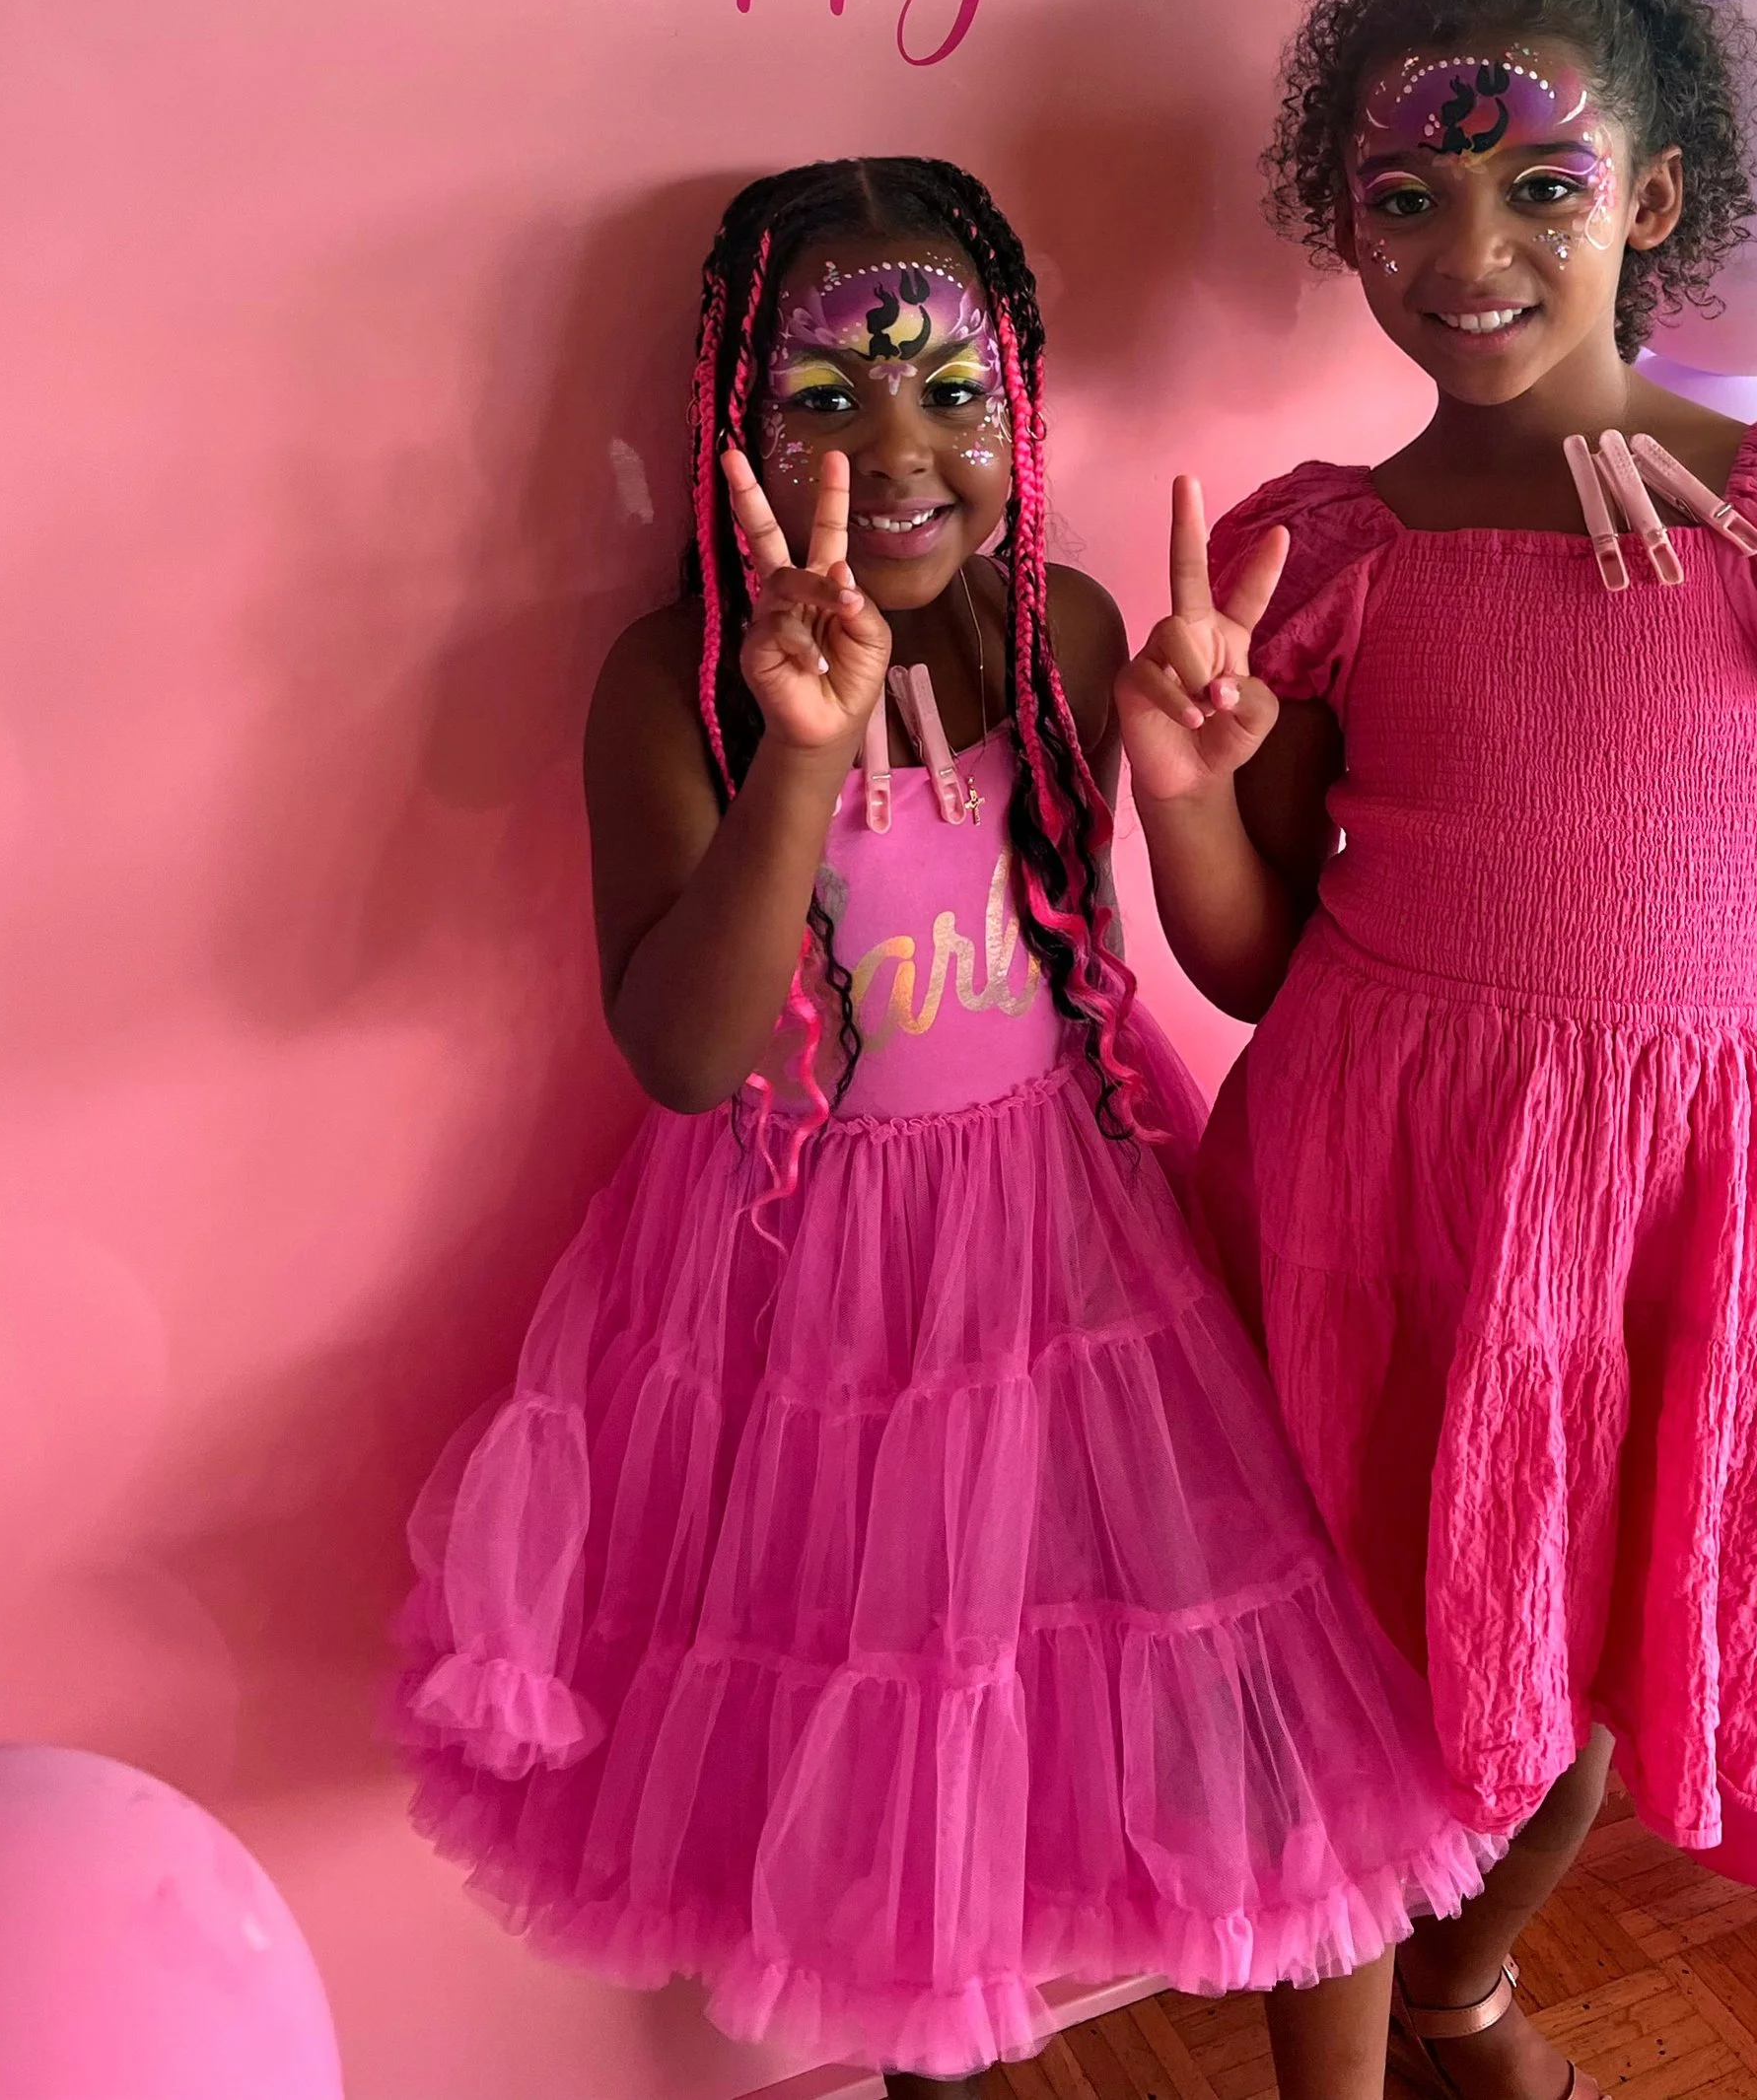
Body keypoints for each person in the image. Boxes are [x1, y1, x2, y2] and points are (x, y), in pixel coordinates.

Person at [396, 155, 1481, 2097]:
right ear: (734, 418)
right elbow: (680, 1045)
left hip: (1086, 1238)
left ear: (1019, 405)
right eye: (825, 396)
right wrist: (797, 759)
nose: (894, 448)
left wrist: (1182, 786)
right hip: (813, 1284)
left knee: (1271, 1687)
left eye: (948, 389)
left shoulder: (1057, 625)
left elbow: (1225, 966)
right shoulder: (670, 687)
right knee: (910, 1750)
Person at [1120, 0, 1757, 2100]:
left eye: (1538, 179)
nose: (1466, 243)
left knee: (1576, 1669)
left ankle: (1463, 1982)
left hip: (1660, 1228)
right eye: (1402, 194)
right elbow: (1248, 961)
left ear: (1658, 194)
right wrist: (1186, 794)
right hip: (1363, 1203)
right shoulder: (1327, 552)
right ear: (1345, 218)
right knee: (1341, 1698)